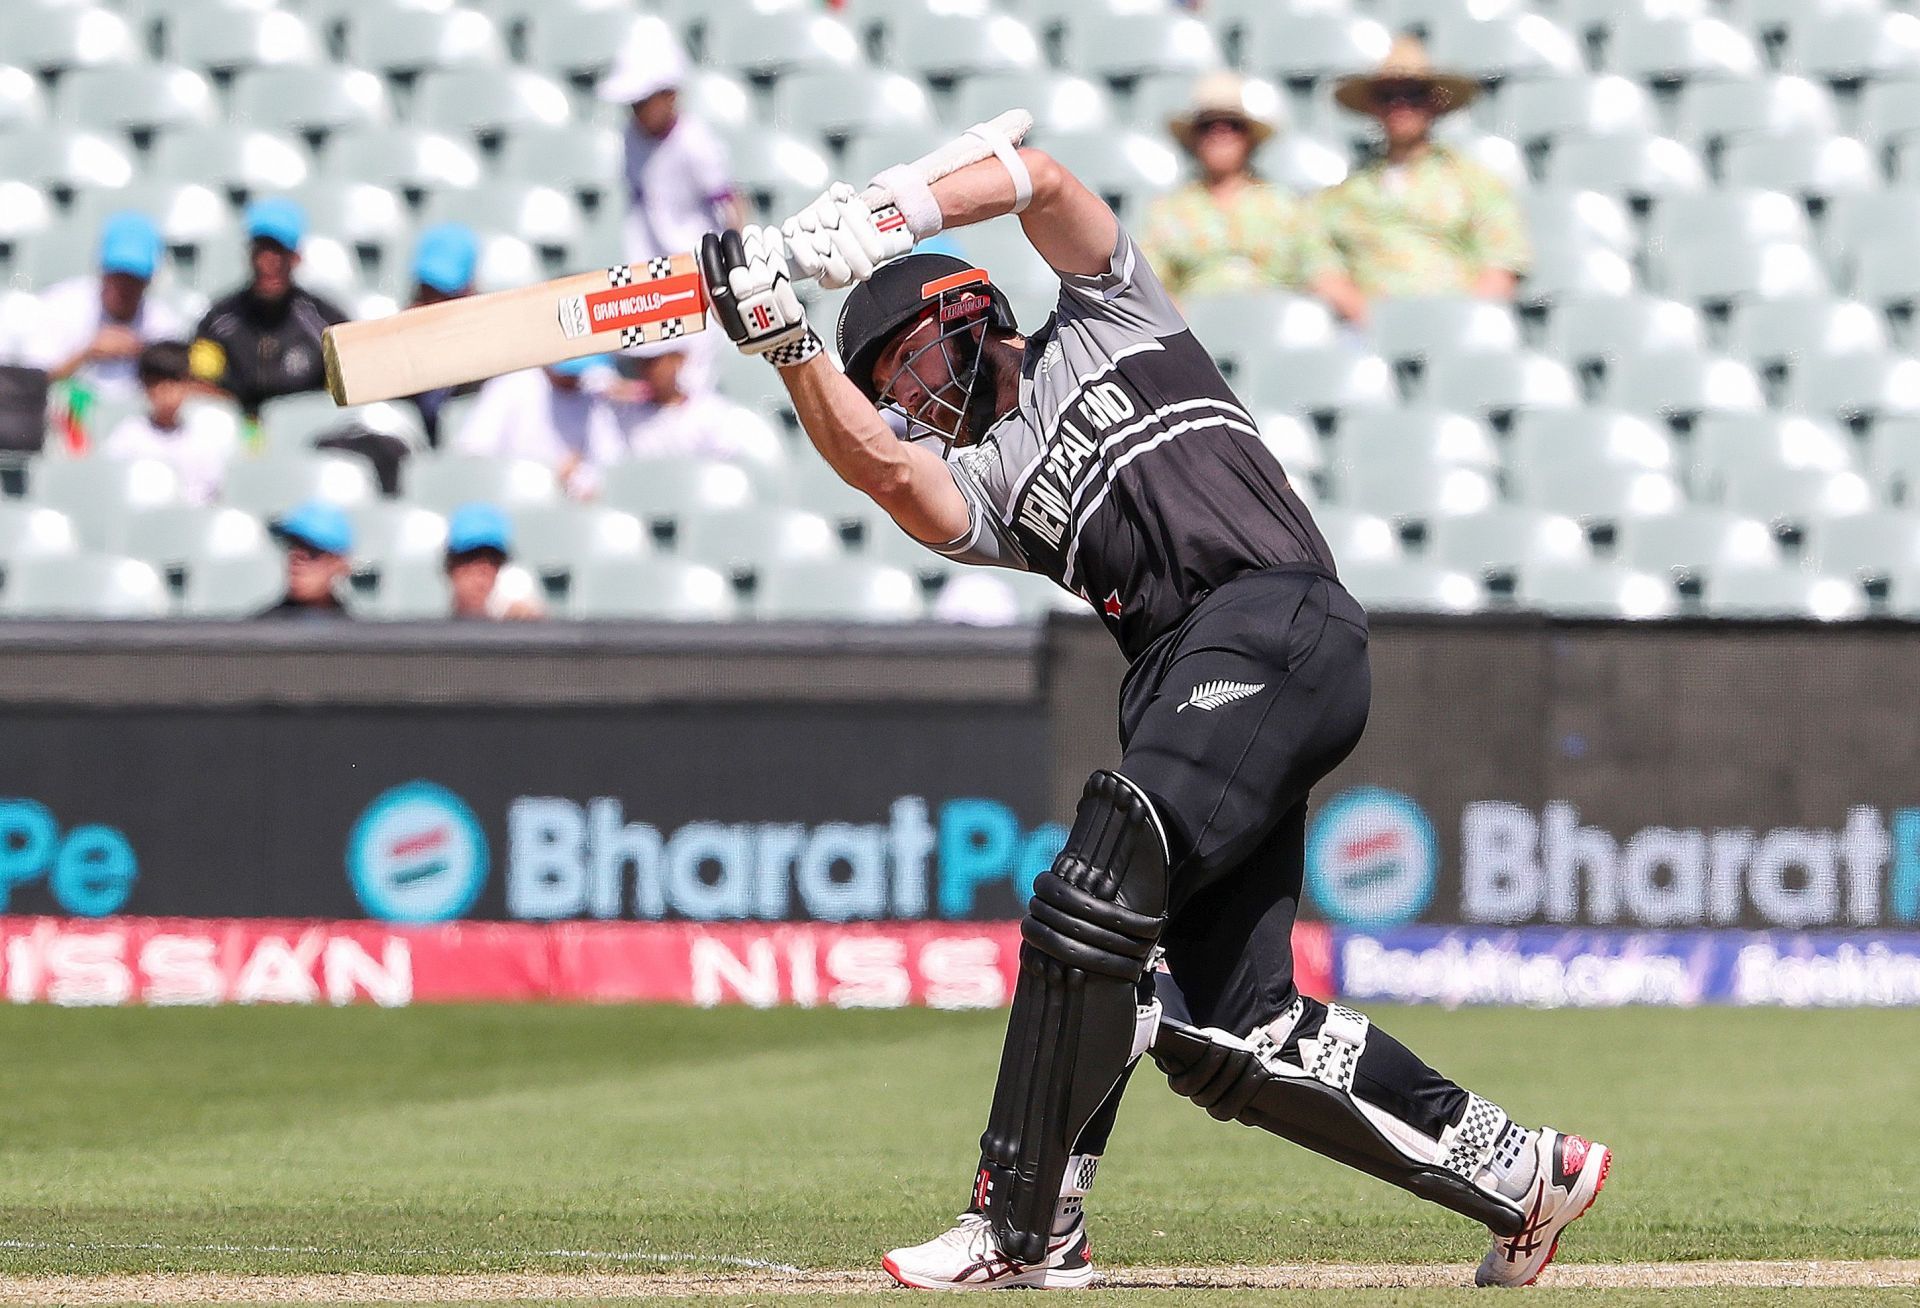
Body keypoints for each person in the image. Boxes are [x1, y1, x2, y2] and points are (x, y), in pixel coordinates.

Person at [696, 128, 1609, 1290]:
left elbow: (1042, 178)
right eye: (895, 391)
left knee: (1097, 879)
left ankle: (1022, 1227)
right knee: (1237, 1031)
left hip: (1276, 618)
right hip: (1187, 680)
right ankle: (1527, 1174)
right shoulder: (986, 485)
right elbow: (882, 469)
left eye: (915, 366)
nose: (917, 403)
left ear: (973, 312)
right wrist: (786, 350)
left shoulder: (1111, 316)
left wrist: (896, 212)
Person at [1313, 36, 1530, 326]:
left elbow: (1502, 265)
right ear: (1374, 107)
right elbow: (1320, 265)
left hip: (1456, 329)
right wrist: (1368, 317)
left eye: (1413, 95)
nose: (1400, 106)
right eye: (1388, 96)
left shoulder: (1475, 182)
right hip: (1369, 334)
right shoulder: (1343, 195)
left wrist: (1462, 325)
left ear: (1433, 103)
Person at [598, 18, 740, 396]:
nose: (637, 111)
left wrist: (735, 268)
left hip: (696, 280)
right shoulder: (630, 138)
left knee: (689, 389)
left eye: (644, 100)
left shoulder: (696, 144)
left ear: (670, 93)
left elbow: (730, 206)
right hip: (647, 279)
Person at [1140, 72, 1344, 303]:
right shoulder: (1168, 212)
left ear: (1248, 136)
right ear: (1194, 137)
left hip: (1271, 325)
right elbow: (1150, 287)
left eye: (1232, 125)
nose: (1220, 135)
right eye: (1208, 126)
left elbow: (1323, 272)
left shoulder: (1286, 207)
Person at [190, 198, 350, 418]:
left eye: (278, 252)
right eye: (261, 250)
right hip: (237, 435)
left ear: (295, 258)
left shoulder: (326, 324)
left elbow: (341, 395)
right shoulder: (218, 321)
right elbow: (200, 384)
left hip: (304, 436)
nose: (268, 262)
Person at [26, 212, 185, 402]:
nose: (124, 287)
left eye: (134, 278)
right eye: (117, 275)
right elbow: (29, 386)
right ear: (102, 271)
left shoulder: (164, 325)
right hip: (67, 422)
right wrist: (87, 353)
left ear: (149, 280)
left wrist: (147, 355)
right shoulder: (59, 306)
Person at [451, 355, 625, 499]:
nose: (573, 378)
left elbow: (612, 461)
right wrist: (548, 477)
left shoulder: (592, 393)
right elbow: (473, 454)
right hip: (515, 502)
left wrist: (583, 481)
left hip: (574, 509)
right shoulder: (511, 385)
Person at [99, 340, 241, 506]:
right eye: (156, 383)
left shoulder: (201, 438)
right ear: (144, 386)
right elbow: (112, 488)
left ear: (188, 384)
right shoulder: (127, 436)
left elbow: (212, 493)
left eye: (174, 382)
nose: (165, 392)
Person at [616, 340, 781, 462]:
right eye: (640, 361)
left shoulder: (713, 414)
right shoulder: (622, 417)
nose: (645, 368)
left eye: (654, 361)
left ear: (678, 359)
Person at [402, 223, 481, 448]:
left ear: (468, 289)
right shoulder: (398, 337)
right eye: (427, 289)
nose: (434, 301)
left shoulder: (491, 350)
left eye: (445, 293)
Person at [442, 503, 544, 621]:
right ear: (450, 566)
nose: (482, 571)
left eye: (493, 559)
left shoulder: (513, 626)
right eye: (470, 557)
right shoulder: (430, 633)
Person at [257, 500, 354, 620]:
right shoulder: (257, 632)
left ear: (338, 563)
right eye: (292, 545)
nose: (297, 556)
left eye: (313, 549)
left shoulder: (361, 635)